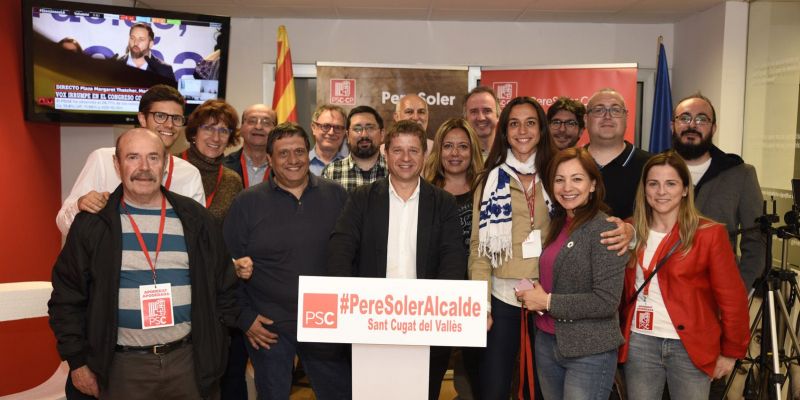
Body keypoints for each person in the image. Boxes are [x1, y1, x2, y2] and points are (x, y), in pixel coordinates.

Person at [48, 128, 238, 399]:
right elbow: (66, 297)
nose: (144, 168)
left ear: (165, 164)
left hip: (189, 364)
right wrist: (77, 362)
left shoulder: (196, 219)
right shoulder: (93, 223)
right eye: (133, 157)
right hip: (120, 368)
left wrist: (217, 344)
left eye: (153, 157)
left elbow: (225, 285)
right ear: (117, 164)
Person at [470, 96, 631, 399]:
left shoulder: (557, 175)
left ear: (542, 130)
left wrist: (629, 230)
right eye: (513, 123)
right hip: (502, 297)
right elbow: (479, 249)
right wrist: (482, 305)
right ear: (504, 131)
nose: (522, 130)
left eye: (530, 122)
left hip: (550, 300)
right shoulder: (489, 180)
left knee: (540, 392)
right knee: (493, 388)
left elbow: (589, 223)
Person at [328, 120, 466, 400]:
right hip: (371, 324)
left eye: (413, 151)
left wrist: (439, 310)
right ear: (385, 153)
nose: (406, 158)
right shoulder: (361, 198)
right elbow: (341, 251)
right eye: (398, 150)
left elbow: (452, 259)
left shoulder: (443, 203)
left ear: (424, 156)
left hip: (426, 326)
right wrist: (348, 308)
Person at [224, 123, 351, 400]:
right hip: (269, 328)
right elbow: (227, 266)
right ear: (269, 159)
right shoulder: (246, 203)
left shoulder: (338, 196)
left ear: (308, 154)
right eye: (283, 154)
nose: (292, 160)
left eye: (299, 152)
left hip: (327, 323)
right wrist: (245, 319)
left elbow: (353, 256)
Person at [619, 151, 750, 400]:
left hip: (690, 347)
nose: (661, 192)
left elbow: (732, 298)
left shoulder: (709, 234)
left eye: (671, 183)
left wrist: (731, 352)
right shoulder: (629, 230)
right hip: (640, 343)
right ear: (644, 189)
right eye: (653, 183)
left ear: (685, 190)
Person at [516, 147, 627, 399]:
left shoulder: (605, 229)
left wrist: (547, 301)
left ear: (592, 185)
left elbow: (606, 301)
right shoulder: (556, 224)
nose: (567, 187)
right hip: (546, 341)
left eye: (577, 179)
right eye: (559, 179)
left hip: (589, 351)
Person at [56, 84, 204, 235]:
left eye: (177, 118)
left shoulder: (189, 174)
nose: (169, 125)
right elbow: (63, 224)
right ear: (142, 118)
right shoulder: (103, 160)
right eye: (160, 116)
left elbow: (199, 234)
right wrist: (80, 206)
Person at [671, 93, 765, 290]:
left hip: (716, 291)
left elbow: (755, 241)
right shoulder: (653, 170)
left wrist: (737, 290)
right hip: (662, 290)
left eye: (702, 119)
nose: (692, 125)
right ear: (673, 125)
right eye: (685, 118)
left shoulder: (740, 173)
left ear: (713, 128)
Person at [422, 117, 484, 399]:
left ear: (473, 151)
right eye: (448, 146)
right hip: (434, 298)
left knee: (474, 379)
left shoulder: (487, 191)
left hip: (476, 296)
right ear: (438, 151)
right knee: (429, 377)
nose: (455, 153)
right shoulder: (423, 191)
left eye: (462, 146)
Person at [585, 88, 651, 219]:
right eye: (599, 110)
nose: (607, 116)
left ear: (626, 117)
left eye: (615, 110)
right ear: (586, 119)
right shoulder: (568, 163)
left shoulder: (651, 165)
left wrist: (631, 230)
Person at [181, 99, 243, 222]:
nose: (216, 138)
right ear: (194, 133)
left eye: (223, 131)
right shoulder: (170, 166)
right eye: (208, 128)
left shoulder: (232, 180)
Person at [322, 105, 388, 191]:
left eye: (370, 128)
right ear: (348, 136)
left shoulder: (394, 170)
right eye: (357, 129)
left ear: (382, 134)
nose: (364, 134)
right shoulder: (331, 172)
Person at [224, 104, 276, 187]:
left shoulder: (285, 168)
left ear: (275, 130)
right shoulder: (222, 166)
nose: (258, 127)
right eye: (252, 121)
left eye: (266, 122)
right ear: (241, 128)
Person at [309, 104, 348, 176]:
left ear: (344, 132)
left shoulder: (351, 168)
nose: (331, 132)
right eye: (326, 126)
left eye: (337, 127)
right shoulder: (299, 164)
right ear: (314, 128)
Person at [463, 86, 500, 159]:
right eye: (474, 112)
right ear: (465, 118)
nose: (481, 118)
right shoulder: (457, 158)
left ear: (498, 115)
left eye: (487, 111)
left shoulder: (513, 155)